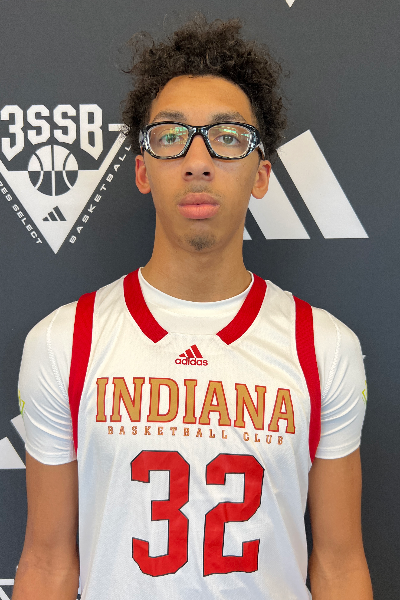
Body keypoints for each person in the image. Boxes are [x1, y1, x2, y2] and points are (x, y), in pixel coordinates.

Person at [13, 15, 373, 600]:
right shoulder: (64, 342)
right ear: (141, 169)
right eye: (171, 136)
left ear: (261, 175)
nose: (198, 161)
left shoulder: (323, 347)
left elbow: (338, 565)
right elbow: (49, 563)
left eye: (228, 137)